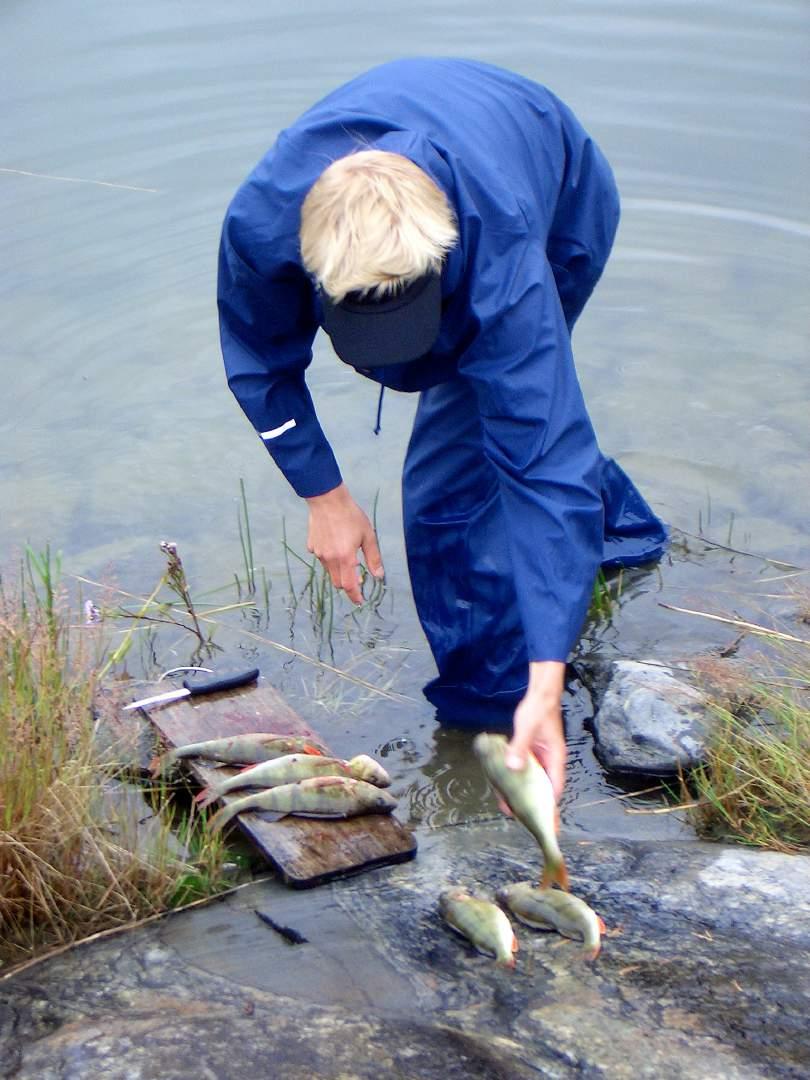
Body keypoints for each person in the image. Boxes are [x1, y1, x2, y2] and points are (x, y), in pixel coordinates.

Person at [217, 58, 667, 804]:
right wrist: (324, 493)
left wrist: (545, 684)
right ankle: (620, 536)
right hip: (461, 152)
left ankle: (489, 708)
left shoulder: (500, 254)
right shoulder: (263, 228)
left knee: (450, 495)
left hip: (556, 198)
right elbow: (260, 365)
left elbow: (543, 459)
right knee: (500, 445)